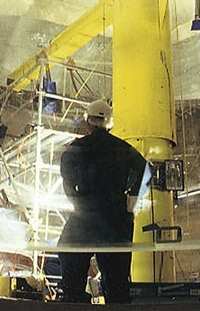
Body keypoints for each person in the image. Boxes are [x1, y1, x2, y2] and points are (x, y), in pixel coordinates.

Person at [58, 99, 147, 304]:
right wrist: (131, 199)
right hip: (116, 215)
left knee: (69, 253)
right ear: (110, 124)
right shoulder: (123, 148)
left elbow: (67, 174)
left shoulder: (78, 147)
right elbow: (145, 170)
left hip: (87, 213)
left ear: (88, 122)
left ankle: (75, 300)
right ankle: (117, 301)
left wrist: (75, 199)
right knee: (117, 278)